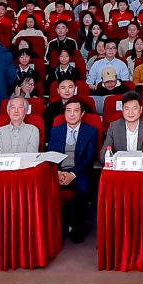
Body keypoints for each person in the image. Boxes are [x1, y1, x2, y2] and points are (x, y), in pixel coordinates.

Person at [45, 98, 101, 242]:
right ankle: (52, 229)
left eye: (76, 111)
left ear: (82, 113)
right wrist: (58, 172)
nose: (71, 114)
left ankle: (75, 226)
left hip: (79, 171)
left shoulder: (90, 131)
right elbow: (51, 154)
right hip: (58, 171)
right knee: (44, 187)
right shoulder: (55, 131)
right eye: (68, 111)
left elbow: (88, 158)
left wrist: (72, 174)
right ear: (64, 113)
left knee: (82, 188)